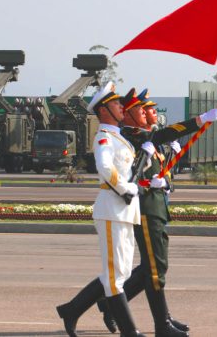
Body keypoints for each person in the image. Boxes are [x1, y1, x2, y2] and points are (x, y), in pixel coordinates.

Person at [96, 87, 217, 337]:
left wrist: (200, 121)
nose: (145, 113)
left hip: (152, 205)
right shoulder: (126, 136)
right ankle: (147, 319)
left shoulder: (139, 136)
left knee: (149, 268)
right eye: (140, 110)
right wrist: (134, 186)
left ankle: (123, 309)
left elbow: (160, 140)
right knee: (146, 269)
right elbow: (118, 170)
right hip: (138, 206)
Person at [56, 81, 148, 337]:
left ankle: (72, 310)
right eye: (116, 103)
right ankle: (129, 331)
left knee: (122, 271)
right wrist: (127, 188)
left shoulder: (119, 137)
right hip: (112, 209)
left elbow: (126, 169)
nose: (121, 106)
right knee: (115, 276)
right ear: (104, 110)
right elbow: (105, 168)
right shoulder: (104, 137)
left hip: (123, 212)